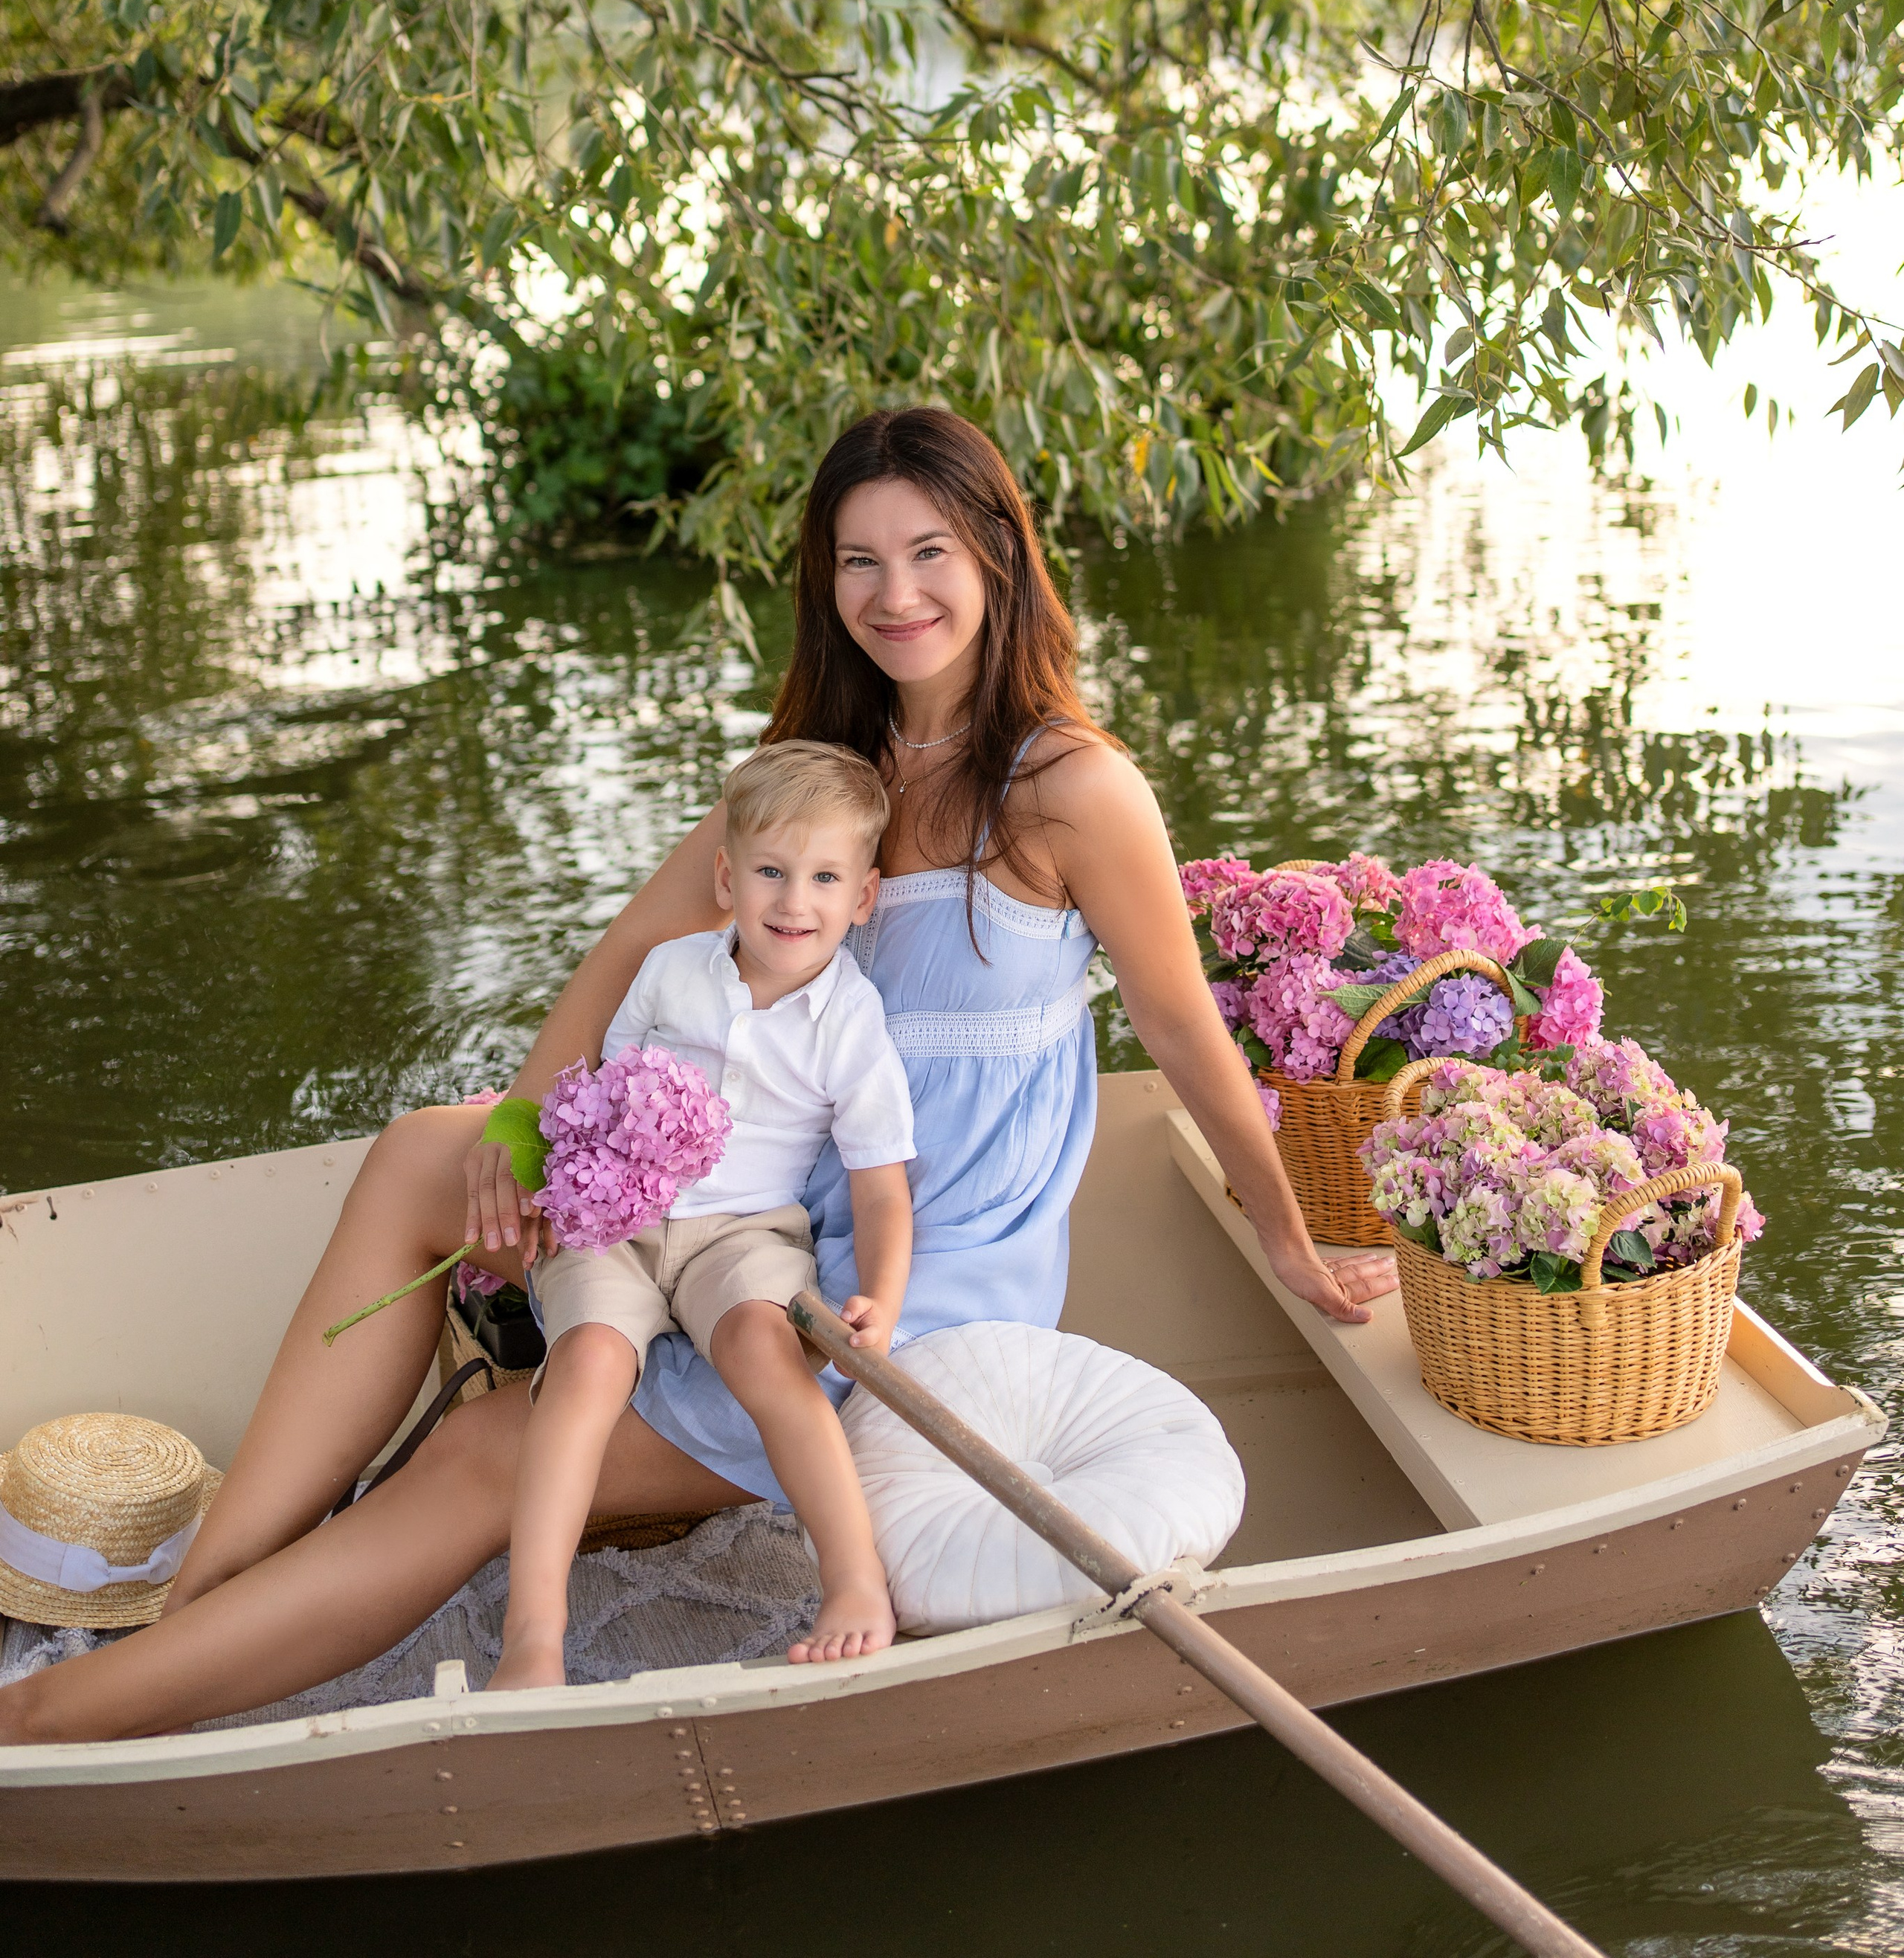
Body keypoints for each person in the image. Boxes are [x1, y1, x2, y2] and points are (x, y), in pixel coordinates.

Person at [0, 405, 1395, 1745]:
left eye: (929, 554)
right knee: (428, 1152)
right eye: (859, 558)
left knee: (489, 1456)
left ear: (998, 560)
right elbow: (623, 959)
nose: (894, 591)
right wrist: (517, 1131)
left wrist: (1288, 1231)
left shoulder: (1069, 790)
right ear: (823, 580)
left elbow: (1178, 1027)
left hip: (913, 1276)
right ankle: (203, 1594)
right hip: (748, 1202)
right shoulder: (820, 780)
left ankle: (52, 1723)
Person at [492, 740, 913, 1685]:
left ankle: (853, 1581)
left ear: (864, 896)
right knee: (590, 1364)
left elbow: (881, 1186)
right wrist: (560, 1179)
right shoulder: (669, 971)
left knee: (764, 1350)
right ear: (726, 877)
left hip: (745, 1232)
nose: (792, 901)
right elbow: (597, 1094)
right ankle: (535, 1632)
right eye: (769, 871)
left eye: (823, 878)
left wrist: (880, 1299)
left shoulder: (851, 1022)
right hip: (620, 1221)